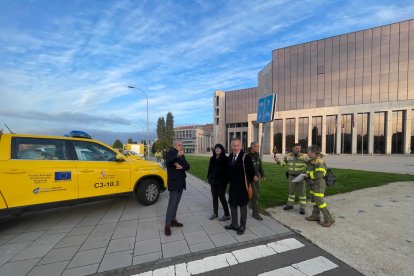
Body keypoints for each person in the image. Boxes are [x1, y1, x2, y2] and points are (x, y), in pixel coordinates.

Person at [225, 138, 256, 235]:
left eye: (237, 145)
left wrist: (251, 181)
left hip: (243, 187)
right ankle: (234, 224)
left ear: (241, 146)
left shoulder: (245, 157)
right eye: (233, 145)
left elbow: (251, 171)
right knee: (232, 204)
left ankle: (242, 226)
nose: (235, 147)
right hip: (233, 186)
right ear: (231, 146)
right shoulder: (230, 156)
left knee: (243, 206)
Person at [164, 140, 190, 236]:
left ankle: (173, 220)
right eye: (180, 145)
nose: (181, 146)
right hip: (174, 183)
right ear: (175, 145)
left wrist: (182, 167)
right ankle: (167, 225)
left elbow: (188, 166)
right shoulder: (171, 153)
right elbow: (168, 162)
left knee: (176, 203)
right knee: (172, 204)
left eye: (182, 145)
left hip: (181, 183)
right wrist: (177, 156)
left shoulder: (182, 155)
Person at [305, 145, 335, 227]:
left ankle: (329, 219)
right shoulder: (313, 160)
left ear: (313, 152)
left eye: (308, 152)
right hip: (313, 184)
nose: (307, 153)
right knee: (314, 200)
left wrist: (308, 175)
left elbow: (320, 174)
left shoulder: (318, 161)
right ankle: (315, 215)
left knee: (320, 202)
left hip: (318, 185)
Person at [274, 143, 308, 215]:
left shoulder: (304, 156)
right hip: (291, 176)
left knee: (302, 192)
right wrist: (278, 161)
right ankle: (290, 205)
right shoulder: (288, 155)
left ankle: (302, 208)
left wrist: (307, 173)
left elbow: (310, 164)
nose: (298, 150)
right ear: (293, 148)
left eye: (299, 148)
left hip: (301, 177)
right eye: (297, 148)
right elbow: (283, 164)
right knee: (291, 191)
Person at [207, 144, 231, 221]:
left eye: (219, 148)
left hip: (221, 182)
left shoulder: (226, 159)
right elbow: (210, 169)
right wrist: (209, 178)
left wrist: (225, 181)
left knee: (222, 198)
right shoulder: (212, 158)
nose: (217, 149)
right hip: (213, 182)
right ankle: (215, 213)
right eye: (216, 148)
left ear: (222, 149)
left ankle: (227, 214)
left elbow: (228, 172)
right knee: (214, 198)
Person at [247, 142, 266, 221]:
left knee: (255, 194)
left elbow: (260, 166)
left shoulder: (257, 155)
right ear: (252, 147)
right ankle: (255, 213)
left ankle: (250, 206)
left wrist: (263, 175)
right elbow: (246, 169)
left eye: (259, 147)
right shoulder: (247, 156)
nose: (258, 148)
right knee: (254, 195)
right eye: (257, 147)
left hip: (256, 179)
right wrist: (252, 176)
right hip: (250, 179)